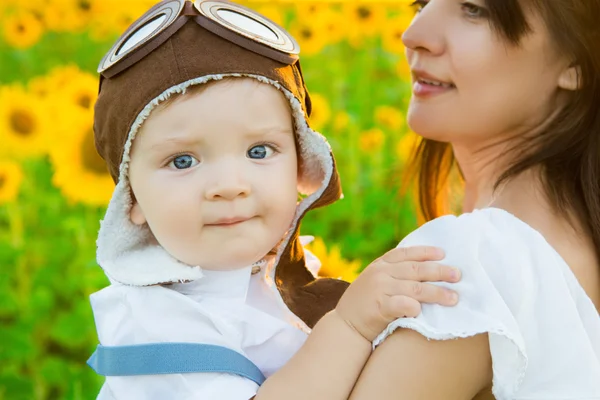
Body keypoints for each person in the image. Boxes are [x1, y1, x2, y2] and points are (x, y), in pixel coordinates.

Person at [87, 1, 460, 399]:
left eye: (259, 151)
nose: (229, 186)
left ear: (302, 164)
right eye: (182, 161)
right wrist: (351, 325)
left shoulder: (274, 276)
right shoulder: (155, 326)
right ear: (132, 199)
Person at [347, 0, 600, 399]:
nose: (413, 36)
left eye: (474, 9)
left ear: (578, 61)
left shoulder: (477, 262)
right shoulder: (568, 247)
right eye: (422, 3)